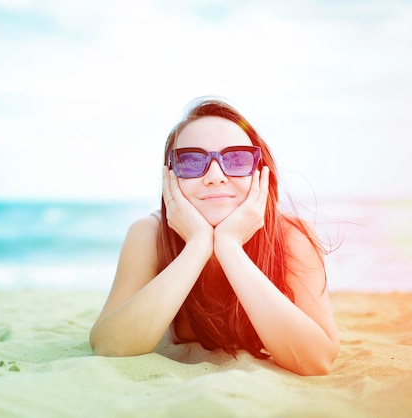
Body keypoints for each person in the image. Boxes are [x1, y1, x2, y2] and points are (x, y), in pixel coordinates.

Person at [89, 97, 339, 376]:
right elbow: (109, 345)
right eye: (192, 161)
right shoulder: (148, 234)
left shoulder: (292, 237)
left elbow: (317, 361)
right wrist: (196, 245)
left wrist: (229, 246)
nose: (215, 175)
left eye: (236, 158)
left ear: (260, 171)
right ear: (170, 176)